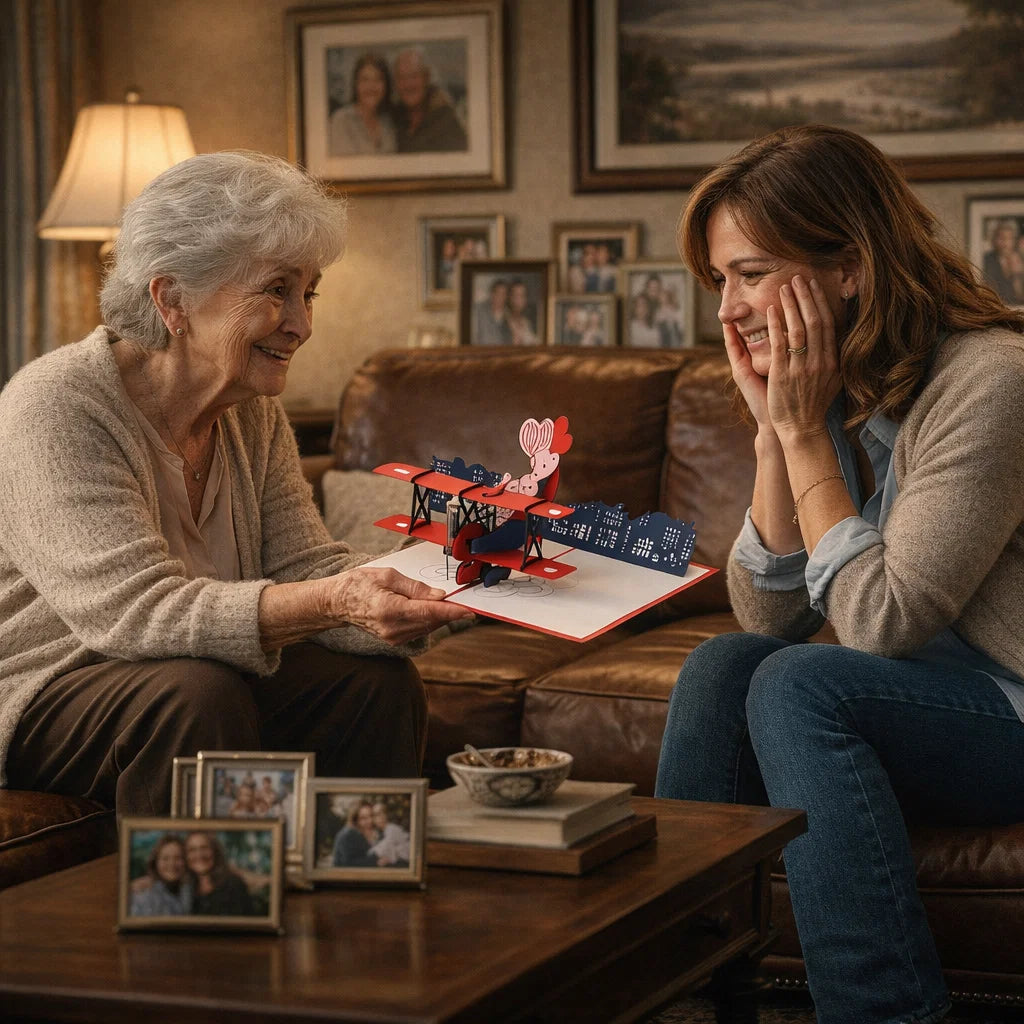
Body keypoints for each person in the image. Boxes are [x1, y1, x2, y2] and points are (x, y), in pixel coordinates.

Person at [655, 124, 1024, 1024]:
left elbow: (881, 622)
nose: (728, 309)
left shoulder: (994, 380)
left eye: (749, 273)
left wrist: (804, 432)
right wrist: (773, 437)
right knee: (724, 667)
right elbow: (766, 613)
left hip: (1014, 705)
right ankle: (669, 989)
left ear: (849, 266)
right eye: (719, 281)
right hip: (937, 699)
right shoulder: (848, 379)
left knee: (800, 687)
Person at [0, 151, 472, 814]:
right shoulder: (56, 406)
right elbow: (137, 616)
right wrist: (337, 600)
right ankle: (203, 910)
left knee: (372, 680)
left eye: (307, 293)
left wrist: (454, 582)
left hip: (192, 672)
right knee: (197, 694)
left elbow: (308, 563)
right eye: (276, 290)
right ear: (173, 299)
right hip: (53, 685)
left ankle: (360, 895)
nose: (302, 324)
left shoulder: (251, 411)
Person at [392, 47, 468, 153]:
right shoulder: (392, 119)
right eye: (401, 77)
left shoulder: (446, 120)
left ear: (426, 78)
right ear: (396, 83)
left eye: (414, 76)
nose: (408, 84)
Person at [328, 52, 396, 157]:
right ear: (355, 84)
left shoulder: (388, 121)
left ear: (386, 85)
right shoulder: (341, 120)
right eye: (365, 80)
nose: (371, 86)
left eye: (378, 79)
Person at [185, 831, 254, 916]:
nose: (199, 854)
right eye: (192, 850)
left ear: (215, 851)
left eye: (204, 848)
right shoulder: (186, 890)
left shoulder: (234, 886)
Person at [130, 833, 193, 917]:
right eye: (165, 858)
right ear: (155, 862)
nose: (172, 864)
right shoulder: (143, 896)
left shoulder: (191, 891)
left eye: (178, 857)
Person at [982, 218, 1024, 304]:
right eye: (1001, 238)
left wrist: (1017, 276)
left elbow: (1020, 296)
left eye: (1009, 238)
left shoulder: (1020, 259)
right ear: (993, 240)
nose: (1005, 243)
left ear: (1014, 241)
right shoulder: (987, 259)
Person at [331, 800, 380, 867]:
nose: (370, 820)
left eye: (371, 815)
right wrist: (377, 860)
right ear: (355, 820)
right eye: (364, 818)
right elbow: (348, 864)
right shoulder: (347, 835)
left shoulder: (370, 831)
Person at [368, 801, 410, 867]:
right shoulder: (378, 832)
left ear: (386, 815)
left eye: (380, 814)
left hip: (404, 863)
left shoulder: (392, 829)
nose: (378, 818)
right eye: (375, 815)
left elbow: (382, 849)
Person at [474, 278, 511, 345]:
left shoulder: (509, 316)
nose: (501, 297)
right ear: (492, 294)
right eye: (498, 293)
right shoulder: (480, 311)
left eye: (503, 294)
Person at [505, 280, 538, 346]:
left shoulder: (527, 323)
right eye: (515, 296)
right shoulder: (503, 321)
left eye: (522, 296)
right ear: (509, 298)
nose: (518, 300)